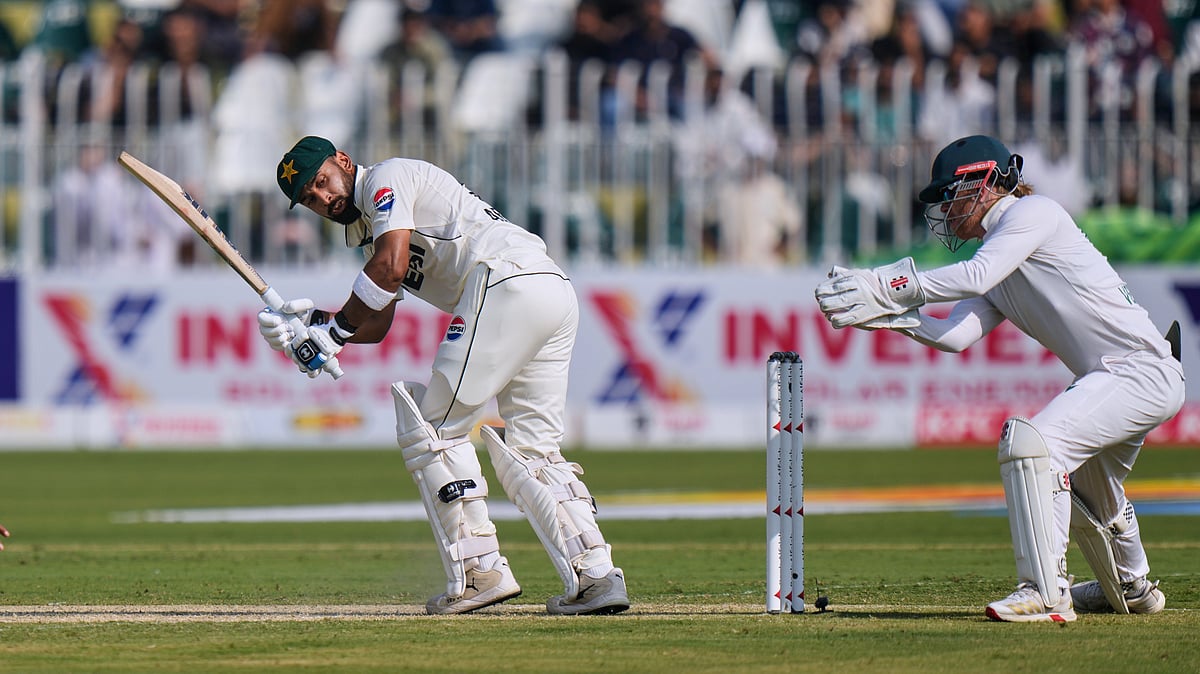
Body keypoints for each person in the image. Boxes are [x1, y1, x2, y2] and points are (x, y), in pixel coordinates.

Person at [815, 135, 1185, 623]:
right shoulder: (999, 256)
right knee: (1097, 494)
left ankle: (1045, 591)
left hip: (1140, 369)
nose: (944, 210)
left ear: (983, 181)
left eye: (949, 194)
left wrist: (888, 285)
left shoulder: (1031, 214)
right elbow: (955, 336)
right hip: (1117, 377)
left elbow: (973, 275)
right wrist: (892, 317)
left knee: (1035, 446)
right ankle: (1135, 586)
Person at [256, 136, 630, 616]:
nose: (323, 200)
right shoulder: (371, 228)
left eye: (323, 183)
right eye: (310, 199)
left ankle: (481, 574)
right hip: (548, 291)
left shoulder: (387, 179)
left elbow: (389, 269)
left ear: (344, 162)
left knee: (432, 429)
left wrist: (334, 330)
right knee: (533, 446)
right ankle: (596, 575)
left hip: (505, 283)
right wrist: (310, 329)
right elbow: (377, 322)